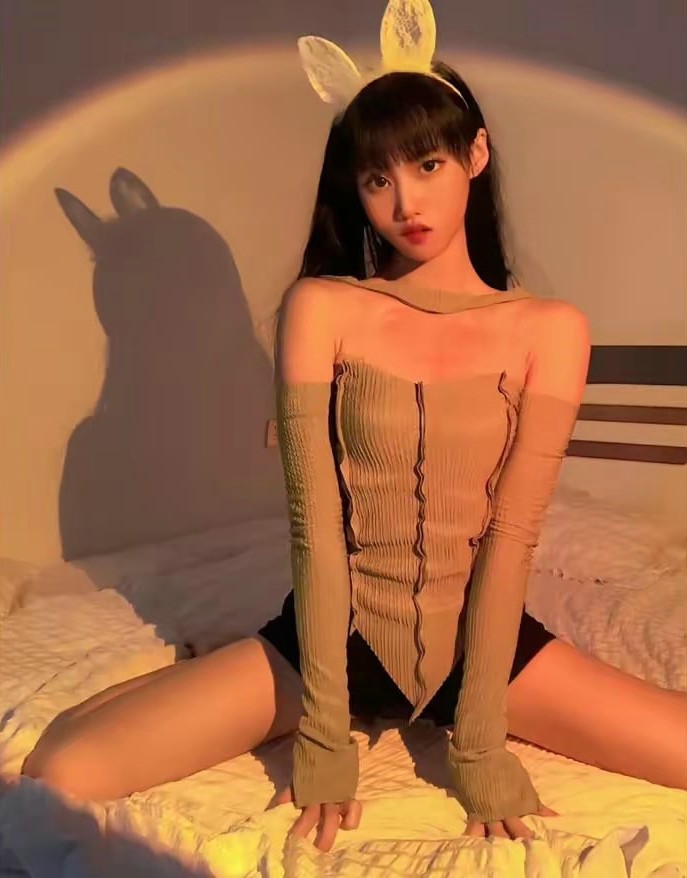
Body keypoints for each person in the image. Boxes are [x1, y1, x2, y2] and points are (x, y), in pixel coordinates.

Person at [22, 0, 687, 856]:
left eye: (427, 164)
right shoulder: (322, 308)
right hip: (331, 638)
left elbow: (513, 535)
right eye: (377, 179)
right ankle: (208, 671)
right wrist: (323, 733)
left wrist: (478, 739)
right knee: (60, 772)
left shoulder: (549, 330)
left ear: (475, 155)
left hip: (481, 643)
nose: (404, 200)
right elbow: (314, 525)